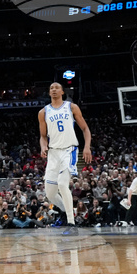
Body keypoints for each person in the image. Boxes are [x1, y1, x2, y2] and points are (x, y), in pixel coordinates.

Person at [39, 82, 92, 231]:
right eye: (51, 88)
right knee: (50, 194)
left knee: (62, 184)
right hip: (53, 153)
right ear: (49, 93)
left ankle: (71, 222)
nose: (54, 90)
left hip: (69, 150)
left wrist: (86, 147)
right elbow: (43, 136)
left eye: (57, 88)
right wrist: (43, 146)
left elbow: (85, 128)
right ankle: (68, 210)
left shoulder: (71, 107)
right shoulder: (43, 112)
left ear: (62, 92)